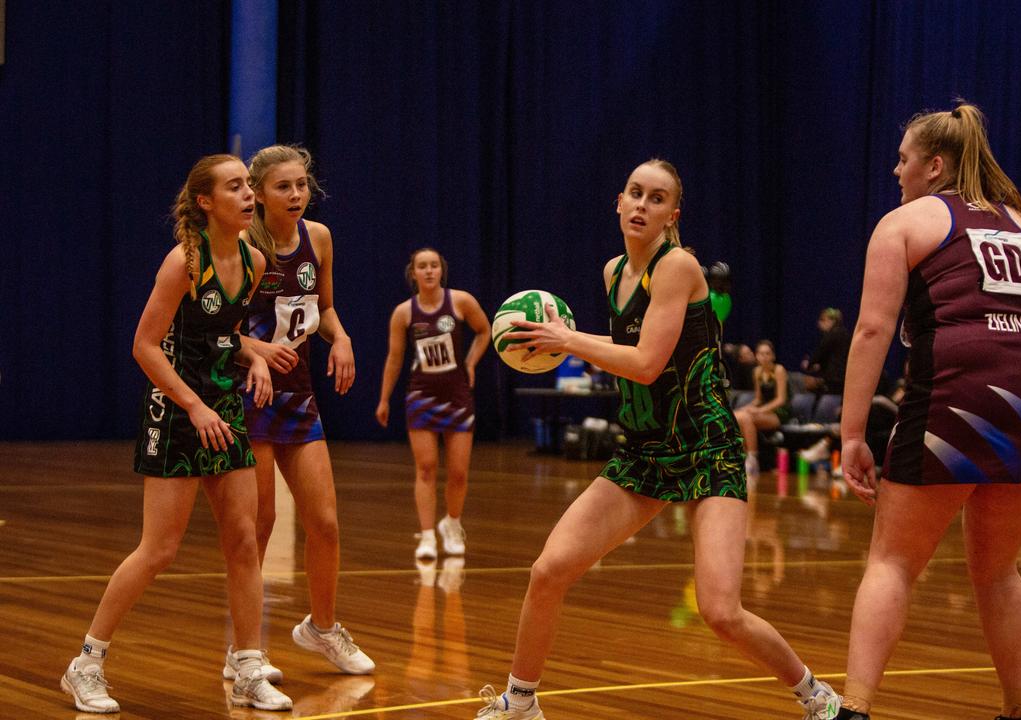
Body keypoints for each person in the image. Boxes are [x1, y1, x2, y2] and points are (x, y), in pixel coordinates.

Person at [472, 159, 841, 720]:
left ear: (673, 215)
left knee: (720, 611)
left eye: (657, 198)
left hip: (708, 447)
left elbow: (645, 363)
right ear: (618, 203)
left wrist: (566, 340)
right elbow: (629, 342)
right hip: (645, 450)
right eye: (635, 193)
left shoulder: (677, 267)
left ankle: (818, 697)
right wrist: (559, 341)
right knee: (548, 571)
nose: (642, 205)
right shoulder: (612, 271)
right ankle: (520, 701)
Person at [835, 104, 1021, 720]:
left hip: (952, 391)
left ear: (934, 166)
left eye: (903, 159)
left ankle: (853, 710)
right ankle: (1019, 711)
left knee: (893, 563)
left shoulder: (906, 222)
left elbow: (873, 330)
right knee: (998, 570)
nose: (895, 171)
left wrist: (853, 433)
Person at [61, 155, 292, 713]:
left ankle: (248, 666)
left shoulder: (255, 260)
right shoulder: (181, 264)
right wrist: (192, 406)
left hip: (223, 407)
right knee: (159, 548)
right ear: (206, 203)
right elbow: (144, 345)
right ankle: (85, 664)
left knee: (243, 540)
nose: (246, 194)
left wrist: (255, 355)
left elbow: (222, 334)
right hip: (175, 408)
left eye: (247, 186)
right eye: (233, 187)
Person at [237, 144, 374, 677]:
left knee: (325, 523)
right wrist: (256, 350)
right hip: (249, 395)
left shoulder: (319, 238)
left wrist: (341, 339)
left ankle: (321, 628)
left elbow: (327, 308)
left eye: (301, 185)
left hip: (298, 394)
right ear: (259, 194)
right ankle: (244, 649)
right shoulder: (244, 246)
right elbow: (218, 327)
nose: (295, 195)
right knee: (261, 523)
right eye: (283, 187)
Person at [376, 247, 490, 561]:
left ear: (442, 270)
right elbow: (395, 358)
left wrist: (470, 362)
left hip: (457, 394)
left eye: (434, 266)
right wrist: (384, 398)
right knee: (425, 468)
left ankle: (451, 524)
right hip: (421, 396)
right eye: (422, 267)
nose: (428, 271)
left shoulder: (461, 302)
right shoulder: (404, 313)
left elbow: (484, 331)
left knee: (458, 472)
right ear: (413, 273)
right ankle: (426, 536)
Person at [735, 339, 792, 480]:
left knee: (746, 418)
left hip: (780, 412)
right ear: (756, 356)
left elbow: (781, 399)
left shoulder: (779, 370)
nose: (764, 357)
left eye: (767, 353)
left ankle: (752, 459)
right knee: (738, 415)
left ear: (773, 356)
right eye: (761, 353)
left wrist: (760, 411)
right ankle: (742, 457)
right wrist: (748, 407)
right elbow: (758, 399)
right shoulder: (756, 372)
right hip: (764, 410)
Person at [803, 308, 851, 396]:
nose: (819, 323)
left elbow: (818, 355)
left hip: (833, 380)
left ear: (832, 320)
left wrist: (808, 364)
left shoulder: (831, 335)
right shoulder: (846, 334)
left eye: (822, 320)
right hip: (846, 378)